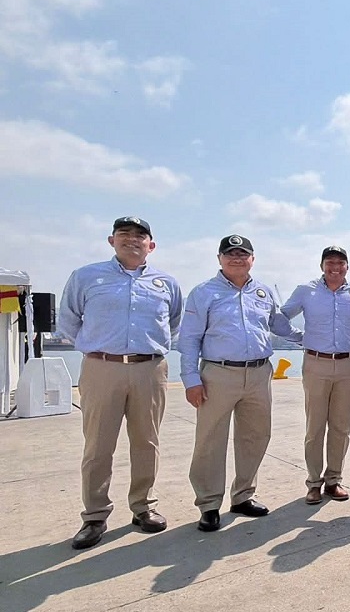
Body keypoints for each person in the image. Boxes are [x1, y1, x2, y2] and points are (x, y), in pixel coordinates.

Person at [58, 217, 183, 550]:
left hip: (150, 369)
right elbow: (68, 321)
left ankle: (144, 507)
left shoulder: (166, 283)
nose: (132, 240)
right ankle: (95, 516)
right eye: (125, 235)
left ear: (151, 245)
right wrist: (99, 350)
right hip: (102, 368)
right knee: (98, 445)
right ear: (111, 240)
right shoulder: (86, 276)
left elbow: (174, 324)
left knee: (147, 441)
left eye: (140, 236)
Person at [178, 235, 302, 532]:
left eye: (242, 254)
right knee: (210, 441)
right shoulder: (203, 293)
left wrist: (310, 338)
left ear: (252, 258)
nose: (237, 258)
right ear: (219, 258)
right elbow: (189, 338)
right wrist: (190, 379)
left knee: (256, 436)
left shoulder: (262, 292)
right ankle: (208, 504)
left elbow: (279, 326)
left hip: (259, 373)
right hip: (219, 374)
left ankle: (243, 495)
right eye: (230, 254)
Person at [281, 245, 350, 505]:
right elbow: (280, 317)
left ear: (347, 267)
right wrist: (299, 338)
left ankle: (334, 480)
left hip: (347, 364)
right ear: (322, 266)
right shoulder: (306, 291)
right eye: (330, 262)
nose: (335, 267)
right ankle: (313, 483)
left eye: (340, 263)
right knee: (315, 426)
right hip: (316, 363)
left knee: (341, 426)